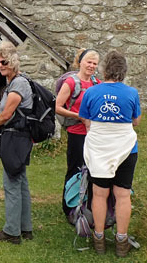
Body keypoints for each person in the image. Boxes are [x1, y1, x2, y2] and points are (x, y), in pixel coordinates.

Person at [79, 51, 141, 258]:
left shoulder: (91, 92)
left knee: (99, 193)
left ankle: (99, 238)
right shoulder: (131, 93)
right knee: (123, 194)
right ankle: (122, 241)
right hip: (126, 148)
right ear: (124, 71)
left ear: (104, 69)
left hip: (98, 148)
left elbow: (84, 118)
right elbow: (136, 120)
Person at [0, 41, 33, 244]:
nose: (0, 65)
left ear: (12, 61)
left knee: (12, 184)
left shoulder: (18, 84)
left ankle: (12, 232)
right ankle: (25, 228)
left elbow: (6, 115)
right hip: (17, 137)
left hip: (16, 140)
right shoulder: (15, 82)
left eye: (4, 61)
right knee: (20, 183)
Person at [55, 48, 100, 215]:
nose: (91, 66)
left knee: (92, 169)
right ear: (80, 62)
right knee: (74, 169)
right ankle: (69, 207)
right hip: (76, 133)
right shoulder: (71, 82)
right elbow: (57, 107)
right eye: (89, 62)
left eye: (95, 63)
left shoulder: (97, 83)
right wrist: (79, 116)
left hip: (93, 134)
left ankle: (85, 204)